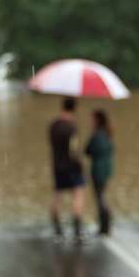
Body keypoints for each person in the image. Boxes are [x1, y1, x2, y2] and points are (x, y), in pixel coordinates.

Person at [48, 97, 85, 241]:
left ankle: (57, 229)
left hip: (57, 165)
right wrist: (80, 164)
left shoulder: (54, 125)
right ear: (74, 108)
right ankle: (77, 230)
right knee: (78, 195)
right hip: (72, 167)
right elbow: (73, 150)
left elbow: (53, 145)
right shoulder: (72, 127)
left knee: (57, 196)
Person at [85, 109, 114, 235]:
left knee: (100, 197)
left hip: (99, 171)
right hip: (106, 170)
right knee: (101, 196)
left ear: (97, 120)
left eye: (92, 119)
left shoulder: (98, 135)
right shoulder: (107, 134)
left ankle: (105, 224)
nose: (90, 121)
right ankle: (103, 225)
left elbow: (88, 150)